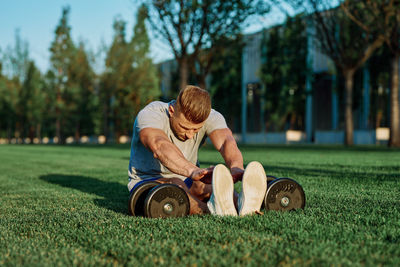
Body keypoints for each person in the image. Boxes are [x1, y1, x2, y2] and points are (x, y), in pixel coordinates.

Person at [128, 85, 267, 216]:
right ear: (172, 111)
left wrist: (236, 167)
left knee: (215, 185)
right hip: (147, 183)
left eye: (196, 129)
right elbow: (159, 145)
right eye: (184, 127)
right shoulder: (150, 114)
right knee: (176, 184)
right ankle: (212, 210)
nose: (189, 135)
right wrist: (192, 170)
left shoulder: (211, 116)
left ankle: (242, 204)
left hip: (188, 179)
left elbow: (226, 142)